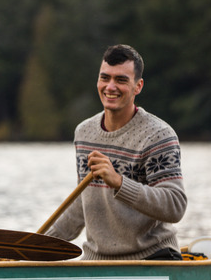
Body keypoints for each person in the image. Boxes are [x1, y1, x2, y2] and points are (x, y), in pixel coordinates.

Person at [45, 44, 187, 260]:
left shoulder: (158, 135)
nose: (110, 87)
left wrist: (119, 182)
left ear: (138, 86)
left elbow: (175, 205)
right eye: (105, 78)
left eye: (121, 80)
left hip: (152, 258)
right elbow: (83, 204)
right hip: (96, 261)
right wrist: (33, 247)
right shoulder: (84, 133)